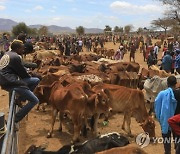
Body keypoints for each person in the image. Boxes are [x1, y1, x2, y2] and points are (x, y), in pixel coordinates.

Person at [0, 40, 39, 123]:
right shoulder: (15, 57)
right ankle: (15, 119)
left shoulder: (7, 54)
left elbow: (16, 69)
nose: (23, 50)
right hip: (11, 82)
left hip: (5, 80)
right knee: (34, 100)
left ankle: (20, 99)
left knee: (36, 80)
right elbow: (23, 73)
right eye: (22, 48)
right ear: (17, 49)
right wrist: (31, 74)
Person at [155, 76, 178, 154]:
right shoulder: (178, 93)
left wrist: (160, 119)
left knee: (166, 141)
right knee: (178, 141)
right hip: (177, 122)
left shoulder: (162, 94)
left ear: (167, 84)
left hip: (166, 121)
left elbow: (157, 107)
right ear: (176, 84)